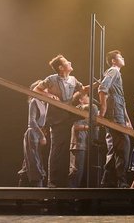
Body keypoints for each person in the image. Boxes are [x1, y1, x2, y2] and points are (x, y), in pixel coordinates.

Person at [34, 54, 88, 188]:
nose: (70, 62)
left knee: (90, 107)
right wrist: (49, 95)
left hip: (69, 115)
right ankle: (52, 183)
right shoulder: (52, 79)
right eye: (66, 61)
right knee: (57, 150)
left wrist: (98, 85)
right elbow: (36, 89)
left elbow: (83, 90)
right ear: (61, 67)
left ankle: (65, 183)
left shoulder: (73, 80)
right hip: (57, 119)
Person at [98, 50, 132, 188]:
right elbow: (102, 88)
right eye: (120, 56)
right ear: (113, 60)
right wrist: (103, 109)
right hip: (114, 113)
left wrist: (127, 120)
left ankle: (106, 181)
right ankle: (121, 181)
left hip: (118, 112)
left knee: (114, 147)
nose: (123, 58)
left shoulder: (116, 73)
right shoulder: (113, 70)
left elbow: (121, 100)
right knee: (124, 145)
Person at [18, 80, 48, 187]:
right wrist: (41, 135)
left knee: (28, 164)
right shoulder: (34, 101)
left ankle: (19, 196)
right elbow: (32, 121)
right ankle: (38, 192)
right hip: (33, 133)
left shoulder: (44, 102)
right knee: (35, 162)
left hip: (37, 133)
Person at [68, 91, 99, 188]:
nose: (89, 98)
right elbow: (76, 126)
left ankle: (75, 194)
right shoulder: (78, 110)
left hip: (83, 144)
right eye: (86, 96)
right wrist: (90, 127)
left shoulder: (86, 112)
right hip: (77, 145)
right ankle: (71, 194)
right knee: (76, 171)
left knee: (80, 171)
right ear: (81, 100)